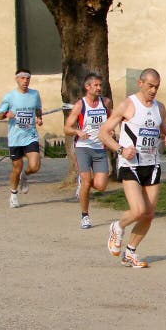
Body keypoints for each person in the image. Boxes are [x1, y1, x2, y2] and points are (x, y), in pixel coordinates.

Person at [98, 68, 166, 269]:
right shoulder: (127, 105)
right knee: (138, 210)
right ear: (140, 83)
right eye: (150, 86)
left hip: (152, 164)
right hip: (130, 164)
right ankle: (117, 226)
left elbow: (163, 131)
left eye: (157, 87)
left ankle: (130, 252)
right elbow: (104, 133)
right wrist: (121, 149)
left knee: (149, 214)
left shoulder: (160, 108)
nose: (153, 90)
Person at [64, 73, 113, 229]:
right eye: (96, 85)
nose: (99, 88)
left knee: (101, 186)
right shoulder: (80, 105)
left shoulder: (106, 102)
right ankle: (85, 216)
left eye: (100, 85)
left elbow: (112, 120)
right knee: (86, 181)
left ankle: (83, 183)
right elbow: (66, 128)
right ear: (87, 87)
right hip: (83, 147)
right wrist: (77, 132)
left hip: (100, 148)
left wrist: (111, 131)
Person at [0, 69, 43, 208]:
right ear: (16, 79)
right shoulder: (10, 96)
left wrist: (39, 118)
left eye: (27, 78)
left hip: (30, 135)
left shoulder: (35, 94)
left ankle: (26, 175)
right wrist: (6, 114)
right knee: (16, 168)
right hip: (15, 137)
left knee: (34, 166)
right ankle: (13, 194)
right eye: (22, 78)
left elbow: (38, 109)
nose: (25, 81)